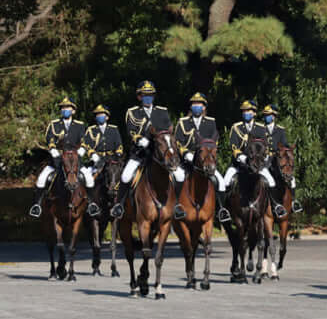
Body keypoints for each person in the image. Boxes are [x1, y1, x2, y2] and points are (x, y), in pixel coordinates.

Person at [110, 81, 185, 219]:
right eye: (144, 95)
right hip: (140, 154)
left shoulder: (162, 112)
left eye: (150, 95)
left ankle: (177, 205)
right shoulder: (132, 112)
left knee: (180, 175)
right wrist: (140, 140)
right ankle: (119, 206)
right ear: (139, 97)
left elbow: (168, 130)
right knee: (126, 175)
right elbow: (131, 131)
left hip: (160, 155)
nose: (148, 98)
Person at [29, 97, 98, 218]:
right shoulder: (54, 124)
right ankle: (37, 206)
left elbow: (85, 141)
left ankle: (91, 204)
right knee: (42, 178)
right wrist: (53, 150)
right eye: (63, 108)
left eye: (68, 108)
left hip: (75, 160)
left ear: (73, 111)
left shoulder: (80, 125)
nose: (65, 110)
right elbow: (49, 139)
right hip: (57, 159)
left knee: (89, 178)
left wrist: (82, 150)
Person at [224, 100, 287, 218]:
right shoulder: (236, 127)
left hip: (257, 164)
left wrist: (265, 157)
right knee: (226, 181)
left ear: (254, 113)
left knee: (271, 181)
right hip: (239, 165)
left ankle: (276, 206)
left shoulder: (260, 128)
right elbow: (233, 146)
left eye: (248, 111)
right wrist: (242, 158)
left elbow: (266, 146)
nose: (245, 113)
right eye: (244, 111)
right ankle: (224, 210)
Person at [174, 92, 230, 222]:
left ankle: (220, 210)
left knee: (220, 182)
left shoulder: (211, 122)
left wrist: (208, 156)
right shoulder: (183, 122)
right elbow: (177, 141)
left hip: (205, 162)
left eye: (199, 104)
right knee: (178, 177)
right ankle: (177, 207)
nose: (196, 106)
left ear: (204, 107)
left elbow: (213, 142)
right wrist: (185, 153)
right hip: (186, 161)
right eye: (194, 104)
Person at [262, 104, 303, 213]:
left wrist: (288, 150)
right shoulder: (260, 129)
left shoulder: (280, 130)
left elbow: (284, 144)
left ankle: (294, 202)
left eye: (269, 115)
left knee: (291, 178)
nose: (267, 117)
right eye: (265, 115)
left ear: (274, 116)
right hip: (264, 159)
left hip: (277, 159)